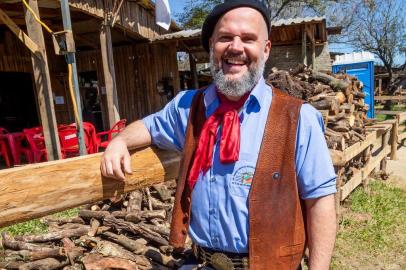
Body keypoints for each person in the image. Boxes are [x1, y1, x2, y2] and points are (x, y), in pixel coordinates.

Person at [100, 0, 337, 269]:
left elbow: (320, 203)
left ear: (266, 49)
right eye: (225, 38)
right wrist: (119, 141)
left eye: (248, 38)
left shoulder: (298, 118)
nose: (236, 47)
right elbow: (148, 127)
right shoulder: (188, 107)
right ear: (212, 46)